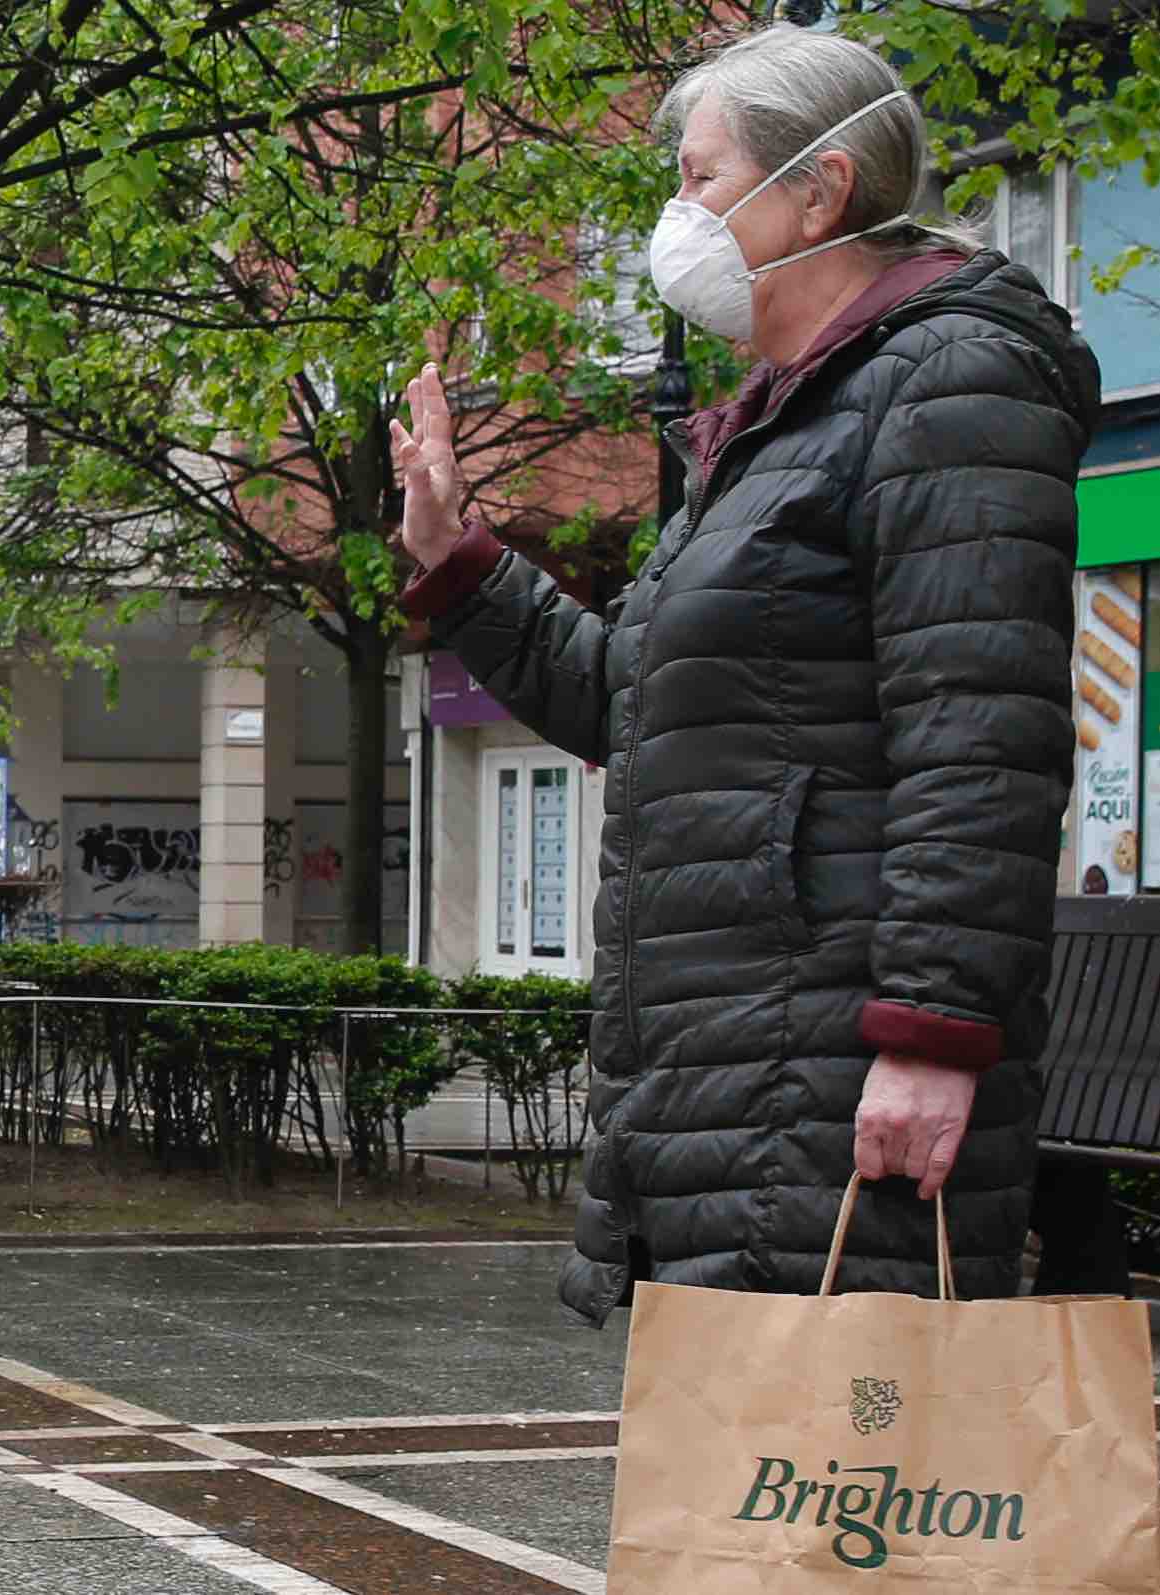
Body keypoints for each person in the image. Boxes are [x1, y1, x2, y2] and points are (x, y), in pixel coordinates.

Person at [389, 23, 1099, 1324]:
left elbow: (978, 744)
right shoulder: (785, 424)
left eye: (702, 177)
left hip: (828, 1073)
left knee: (846, 1498)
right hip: (731, 1068)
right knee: (746, 1508)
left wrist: (927, 1039)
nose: (677, 216)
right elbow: (633, 702)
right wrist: (459, 562)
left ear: (818, 189)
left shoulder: (947, 386)